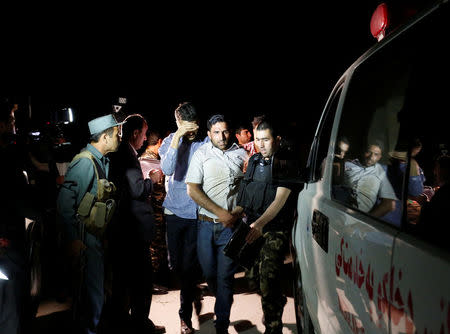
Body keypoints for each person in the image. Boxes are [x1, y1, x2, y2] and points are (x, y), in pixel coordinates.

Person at [56, 114, 122, 334]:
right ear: (104, 137)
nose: (119, 137)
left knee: (96, 295)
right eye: (116, 133)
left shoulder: (100, 160)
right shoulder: (85, 162)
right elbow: (65, 206)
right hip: (84, 239)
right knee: (89, 298)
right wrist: (73, 239)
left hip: (95, 236)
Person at [186, 114, 248, 334]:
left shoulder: (242, 154)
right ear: (209, 134)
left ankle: (221, 324)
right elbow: (192, 189)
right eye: (216, 132)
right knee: (210, 273)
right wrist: (219, 212)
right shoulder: (201, 154)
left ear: (230, 132)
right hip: (205, 226)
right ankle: (218, 300)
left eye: (225, 131)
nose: (221, 137)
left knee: (225, 278)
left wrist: (236, 213)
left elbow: (249, 190)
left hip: (231, 227)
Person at [232, 119, 294, 334]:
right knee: (252, 279)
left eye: (266, 139)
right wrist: (234, 214)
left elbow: (280, 200)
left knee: (267, 279)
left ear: (276, 140)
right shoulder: (255, 160)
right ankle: (277, 299)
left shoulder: (285, 163)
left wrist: (259, 224)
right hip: (252, 228)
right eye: (258, 140)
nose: (261, 144)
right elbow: (245, 194)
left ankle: (273, 327)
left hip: (274, 228)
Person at [108, 114, 165, 334]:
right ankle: (141, 324)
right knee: (141, 281)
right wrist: (152, 180)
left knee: (124, 281)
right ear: (134, 134)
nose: (144, 139)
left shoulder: (120, 154)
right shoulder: (127, 154)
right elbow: (137, 190)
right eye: (142, 135)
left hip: (123, 228)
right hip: (132, 229)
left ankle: (128, 323)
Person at [158, 102, 207, 334]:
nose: (190, 130)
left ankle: (184, 316)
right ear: (178, 122)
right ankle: (191, 288)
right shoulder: (169, 142)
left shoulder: (204, 142)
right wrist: (178, 136)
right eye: (183, 124)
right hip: (174, 211)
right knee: (175, 265)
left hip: (196, 213)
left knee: (187, 269)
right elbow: (167, 169)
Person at [343, 140, 397, 217]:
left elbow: (389, 204)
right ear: (363, 152)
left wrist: (365, 221)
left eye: (376, 154)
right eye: (369, 152)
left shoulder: (380, 172)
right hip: (340, 206)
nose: (371, 157)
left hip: (358, 216)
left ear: (379, 157)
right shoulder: (348, 164)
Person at [384, 138, 426, 226]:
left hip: (394, 217)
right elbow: (416, 193)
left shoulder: (414, 167)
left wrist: (410, 202)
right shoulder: (385, 163)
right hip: (387, 217)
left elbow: (414, 194)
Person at [418, 154, 450, 250]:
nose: (434, 172)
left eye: (437, 168)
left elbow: (432, 218)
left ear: (444, 170)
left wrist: (424, 203)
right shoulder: (443, 190)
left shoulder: (445, 192)